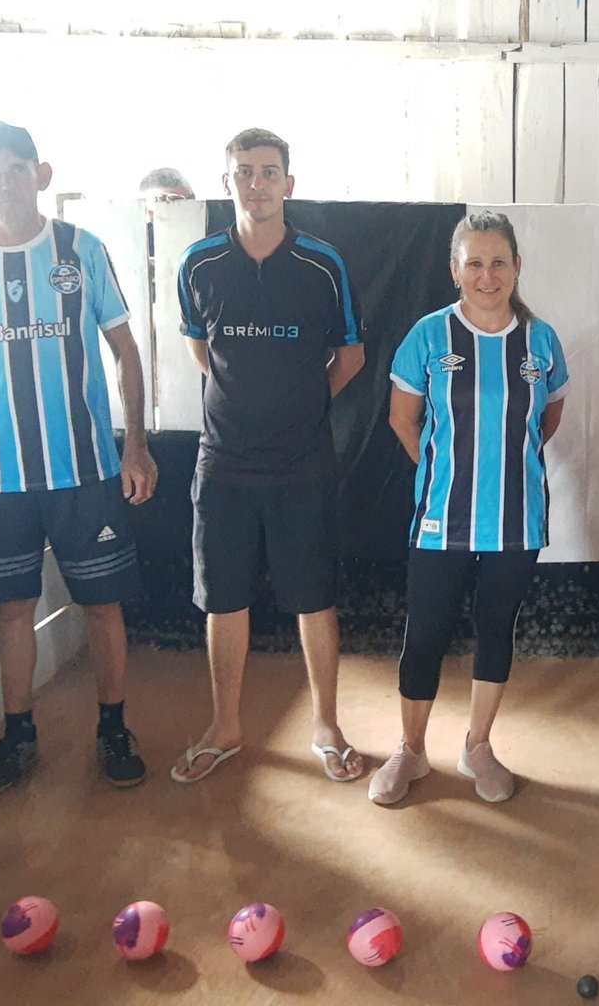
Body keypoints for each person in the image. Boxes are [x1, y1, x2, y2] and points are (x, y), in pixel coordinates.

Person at [0, 121, 158, 798]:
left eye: (17, 169)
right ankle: (18, 735)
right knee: (12, 610)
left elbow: (125, 350)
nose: (5, 184)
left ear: (42, 174)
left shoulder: (81, 250)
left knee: (102, 605)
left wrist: (135, 444)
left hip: (84, 469)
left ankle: (113, 728)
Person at [171, 128, 367, 785]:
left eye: (268, 171)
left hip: (302, 463)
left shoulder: (322, 264)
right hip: (223, 463)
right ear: (227, 182)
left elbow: (350, 356)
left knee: (314, 597)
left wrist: (303, 404)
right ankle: (224, 727)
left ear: (289, 183)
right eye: (244, 172)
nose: (256, 183)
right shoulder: (198, 263)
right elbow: (202, 352)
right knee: (224, 599)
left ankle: (327, 727)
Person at [369, 210, 569, 806]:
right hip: (441, 519)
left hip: (517, 518)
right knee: (425, 633)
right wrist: (447, 471)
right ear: (455, 270)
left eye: (498, 262)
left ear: (517, 267)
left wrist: (505, 462)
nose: (488, 275)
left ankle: (477, 746)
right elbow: (402, 419)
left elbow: (549, 416)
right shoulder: (428, 336)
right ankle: (411, 749)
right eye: (474, 263)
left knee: (496, 630)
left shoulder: (541, 340)